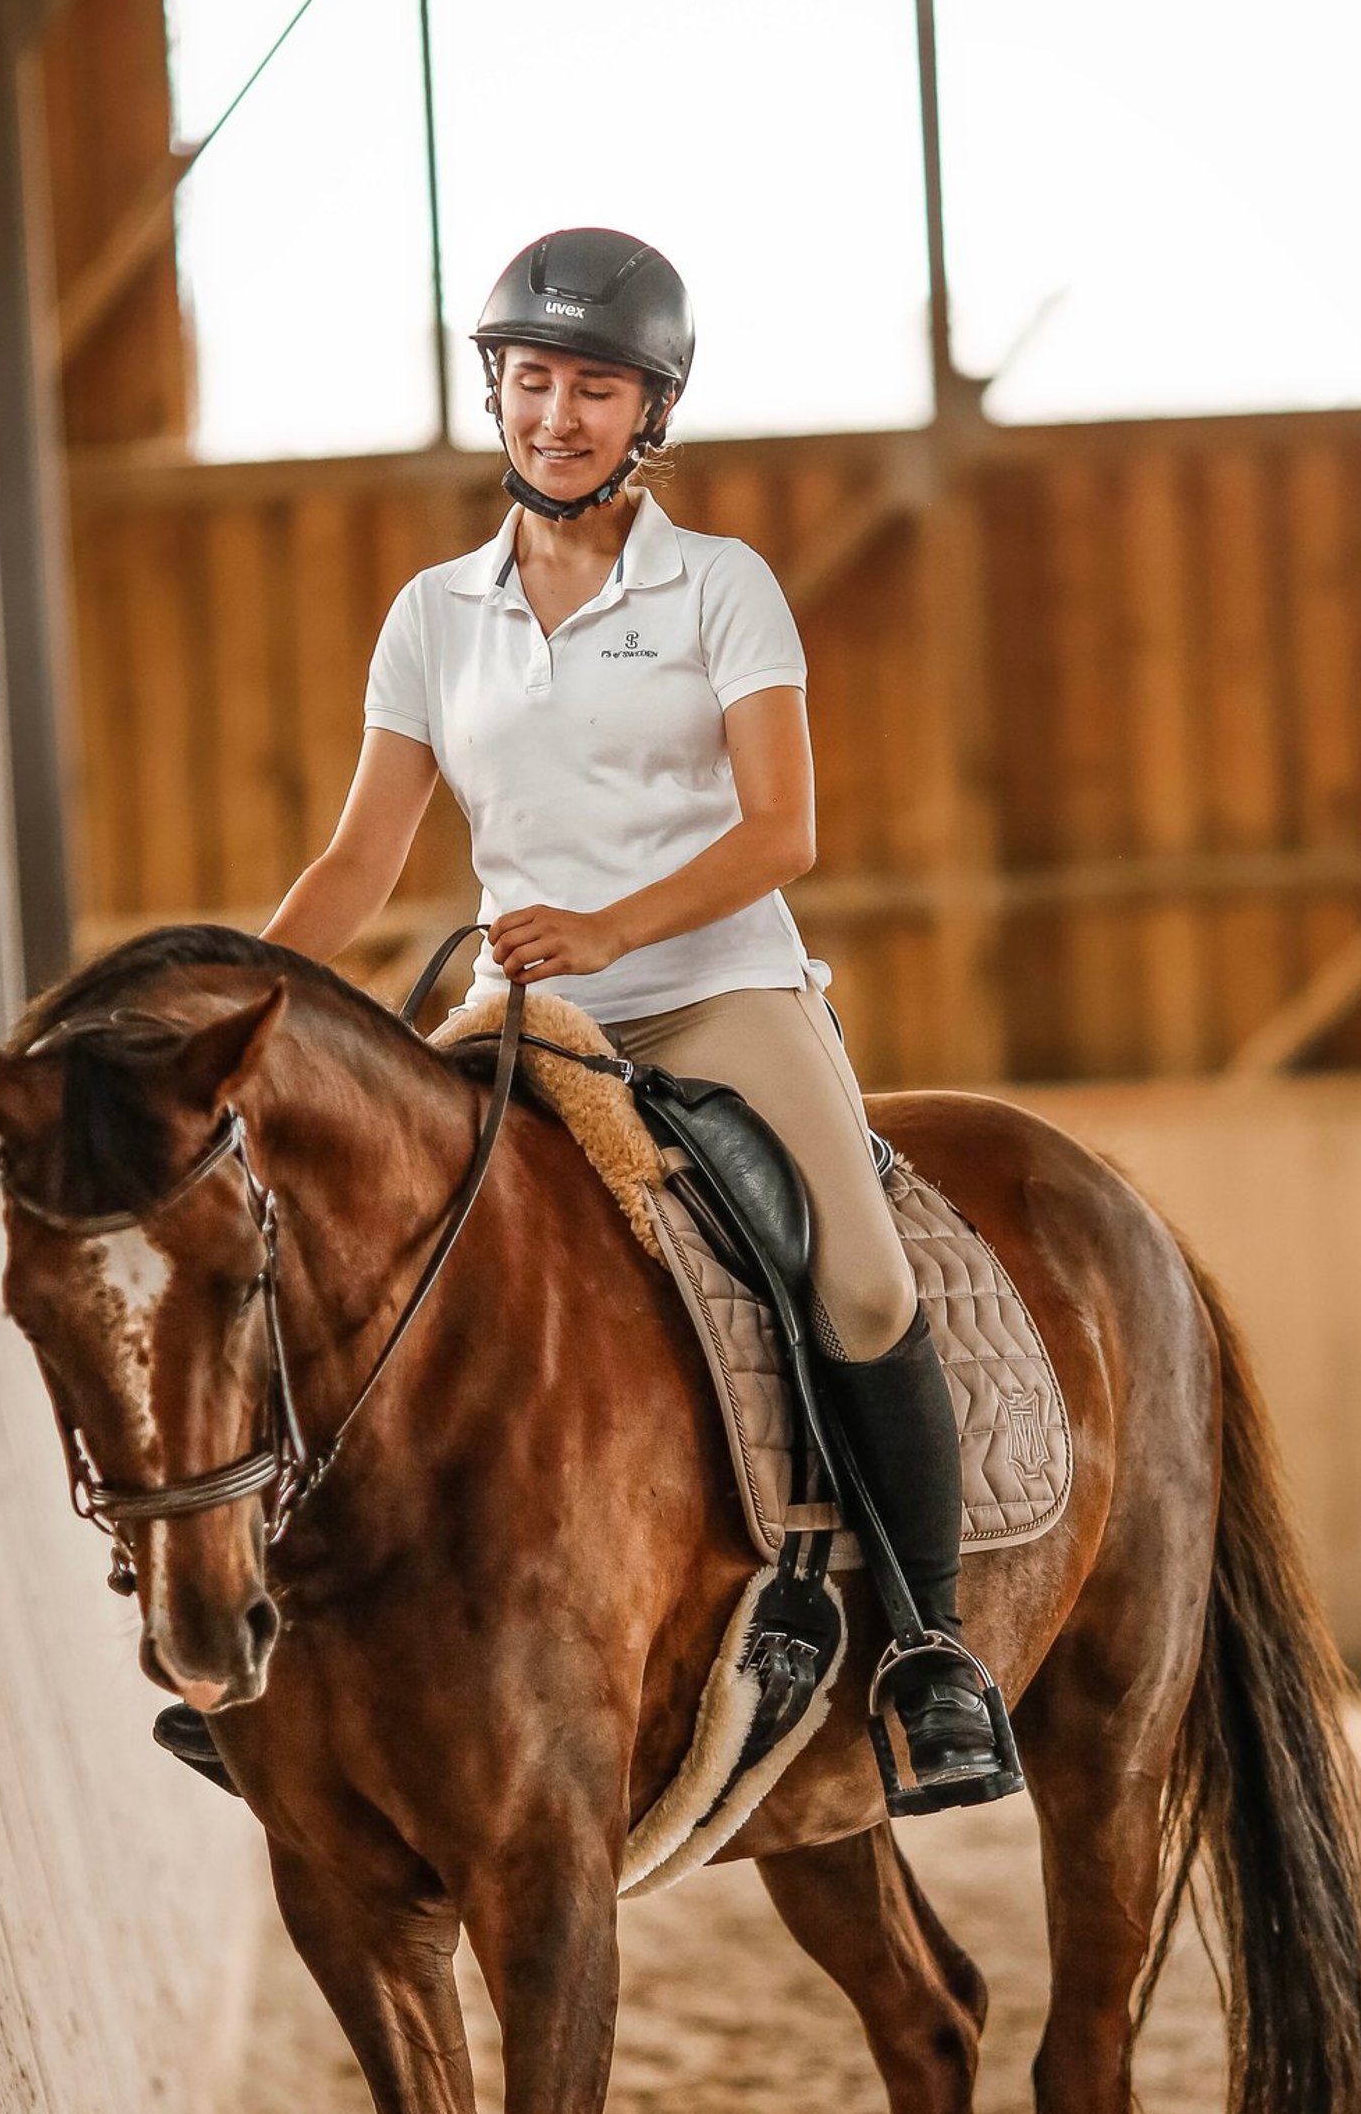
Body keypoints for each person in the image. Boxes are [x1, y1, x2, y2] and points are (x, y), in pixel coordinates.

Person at [250, 225, 1013, 1811]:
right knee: (331, 1237)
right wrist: (229, 1006)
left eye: (595, 389)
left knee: (862, 1279)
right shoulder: (431, 616)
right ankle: (272, 1639)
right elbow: (360, 856)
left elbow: (782, 828)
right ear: (498, 392)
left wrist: (606, 924)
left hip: (717, 989)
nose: (557, 417)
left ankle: (933, 1647)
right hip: (522, 1006)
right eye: (533, 381)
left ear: (649, 412)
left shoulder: (722, 585)